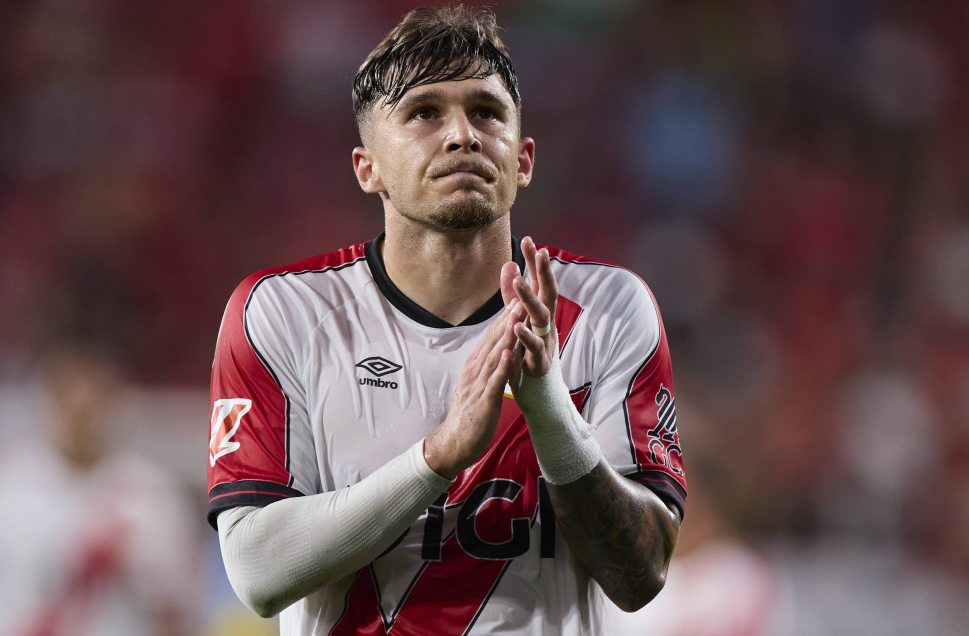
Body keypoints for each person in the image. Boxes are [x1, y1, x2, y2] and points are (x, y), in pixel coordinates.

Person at [208, 6, 686, 635]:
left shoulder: (610, 309)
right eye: (424, 113)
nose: (462, 135)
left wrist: (550, 412)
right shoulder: (284, 313)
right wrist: (436, 459)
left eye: (486, 112)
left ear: (523, 159)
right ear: (367, 168)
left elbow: (640, 574)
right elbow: (256, 572)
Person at [0, 343, 198, 636]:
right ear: (47, 400)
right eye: (68, 399)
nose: (81, 416)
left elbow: (171, 610)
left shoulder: (150, 495)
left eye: (93, 402)